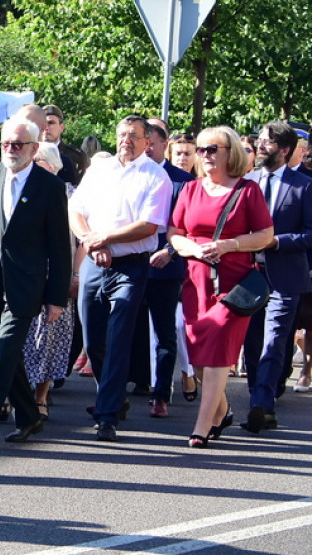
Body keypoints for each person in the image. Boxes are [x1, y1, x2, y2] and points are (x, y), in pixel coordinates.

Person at [0, 117, 71, 449]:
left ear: (34, 149)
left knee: (5, 349)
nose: (10, 150)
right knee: (7, 356)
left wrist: (56, 296)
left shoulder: (49, 187)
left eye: (18, 145)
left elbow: (59, 248)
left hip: (26, 285)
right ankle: (30, 416)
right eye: (5, 143)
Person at [167, 126, 273, 447]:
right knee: (198, 358)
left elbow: (265, 235)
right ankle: (222, 409)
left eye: (213, 149)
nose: (206, 156)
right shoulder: (191, 189)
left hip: (234, 285)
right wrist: (194, 249)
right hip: (195, 284)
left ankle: (201, 426)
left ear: (231, 152)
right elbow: (175, 233)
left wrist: (230, 246)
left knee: (216, 353)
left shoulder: (247, 191)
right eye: (201, 150)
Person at [68, 115, 172, 442]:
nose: (126, 140)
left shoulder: (156, 176)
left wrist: (105, 240)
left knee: (118, 337)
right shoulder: (99, 170)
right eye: (122, 134)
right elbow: (76, 211)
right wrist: (90, 241)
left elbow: (148, 225)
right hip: (95, 263)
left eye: (134, 135)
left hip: (131, 266)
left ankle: (107, 414)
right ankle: (113, 395)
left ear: (148, 142)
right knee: (94, 339)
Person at [240, 121, 312, 433]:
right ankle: (258, 393)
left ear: (284, 150)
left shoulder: (304, 185)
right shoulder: (248, 181)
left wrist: (277, 241)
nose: (260, 146)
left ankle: (262, 404)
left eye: (268, 142)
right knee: (252, 340)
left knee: (274, 340)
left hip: (285, 276)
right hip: (248, 275)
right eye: (260, 141)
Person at [128, 119, 194, 418]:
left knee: (166, 332)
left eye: (153, 143)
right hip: (129, 264)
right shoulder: (129, 175)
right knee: (124, 329)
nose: (148, 148)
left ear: (163, 144)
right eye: (145, 142)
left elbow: (190, 228)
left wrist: (169, 250)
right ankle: (121, 391)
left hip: (165, 267)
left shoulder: (183, 181)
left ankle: (161, 394)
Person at [42, 104, 87, 186]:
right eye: (42, 123)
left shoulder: (76, 156)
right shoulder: (31, 153)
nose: (46, 127)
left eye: (50, 123)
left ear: (61, 127)